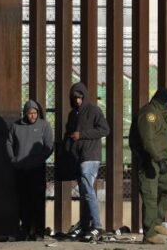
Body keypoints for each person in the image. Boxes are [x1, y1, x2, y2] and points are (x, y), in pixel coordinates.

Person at [129, 88, 167, 245]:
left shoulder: (160, 114)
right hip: (149, 161)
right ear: (164, 102)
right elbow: (148, 140)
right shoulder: (149, 114)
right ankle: (149, 234)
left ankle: (156, 222)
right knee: (150, 197)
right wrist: (158, 159)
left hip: (161, 160)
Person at [64, 83, 109, 241]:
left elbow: (105, 129)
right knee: (84, 193)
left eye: (80, 97)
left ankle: (97, 226)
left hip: (90, 156)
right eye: (75, 98)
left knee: (88, 191)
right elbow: (69, 134)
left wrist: (81, 134)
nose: (77, 101)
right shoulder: (73, 114)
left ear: (84, 96)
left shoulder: (94, 110)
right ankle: (85, 226)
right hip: (78, 157)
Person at [6, 99, 53, 241]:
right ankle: (25, 230)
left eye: (35, 113)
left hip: (37, 169)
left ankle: (39, 232)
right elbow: (9, 143)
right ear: (25, 113)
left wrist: (37, 160)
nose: (33, 116)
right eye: (30, 113)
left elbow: (49, 146)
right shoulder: (16, 126)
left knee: (37, 201)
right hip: (20, 170)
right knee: (22, 201)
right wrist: (13, 159)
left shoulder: (44, 125)